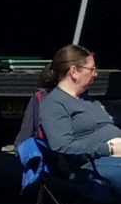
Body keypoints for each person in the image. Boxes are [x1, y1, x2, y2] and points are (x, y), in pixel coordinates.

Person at [38, 44, 121, 194]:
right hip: (91, 165)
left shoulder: (86, 101)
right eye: (92, 69)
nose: (95, 74)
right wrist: (109, 148)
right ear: (74, 72)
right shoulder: (54, 103)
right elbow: (63, 146)